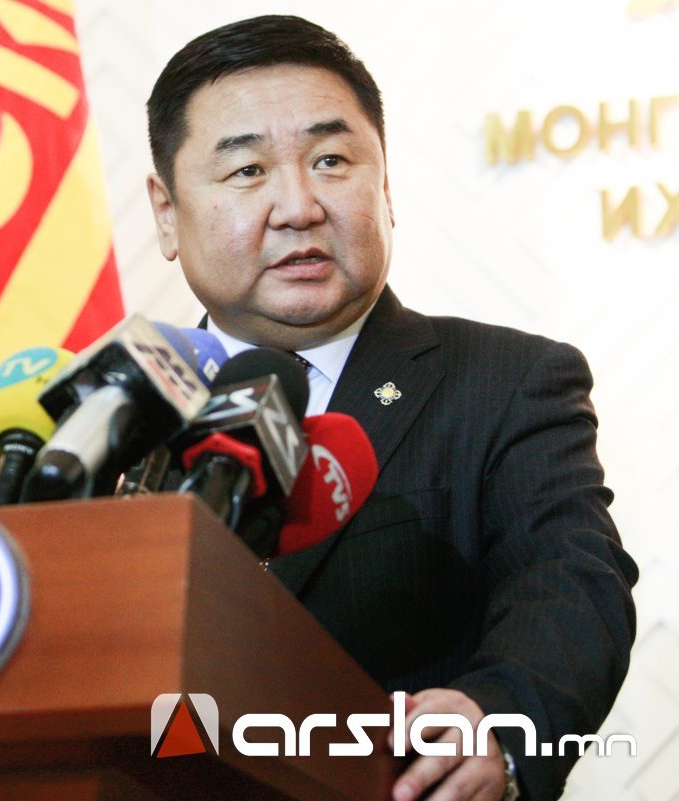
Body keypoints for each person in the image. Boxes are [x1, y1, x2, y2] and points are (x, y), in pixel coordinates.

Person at [145, 16, 635, 801]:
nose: (298, 206)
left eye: (331, 161)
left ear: (386, 188)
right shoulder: (114, 410)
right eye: (247, 170)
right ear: (167, 213)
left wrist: (499, 718)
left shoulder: (507, 382)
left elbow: (571, 578)